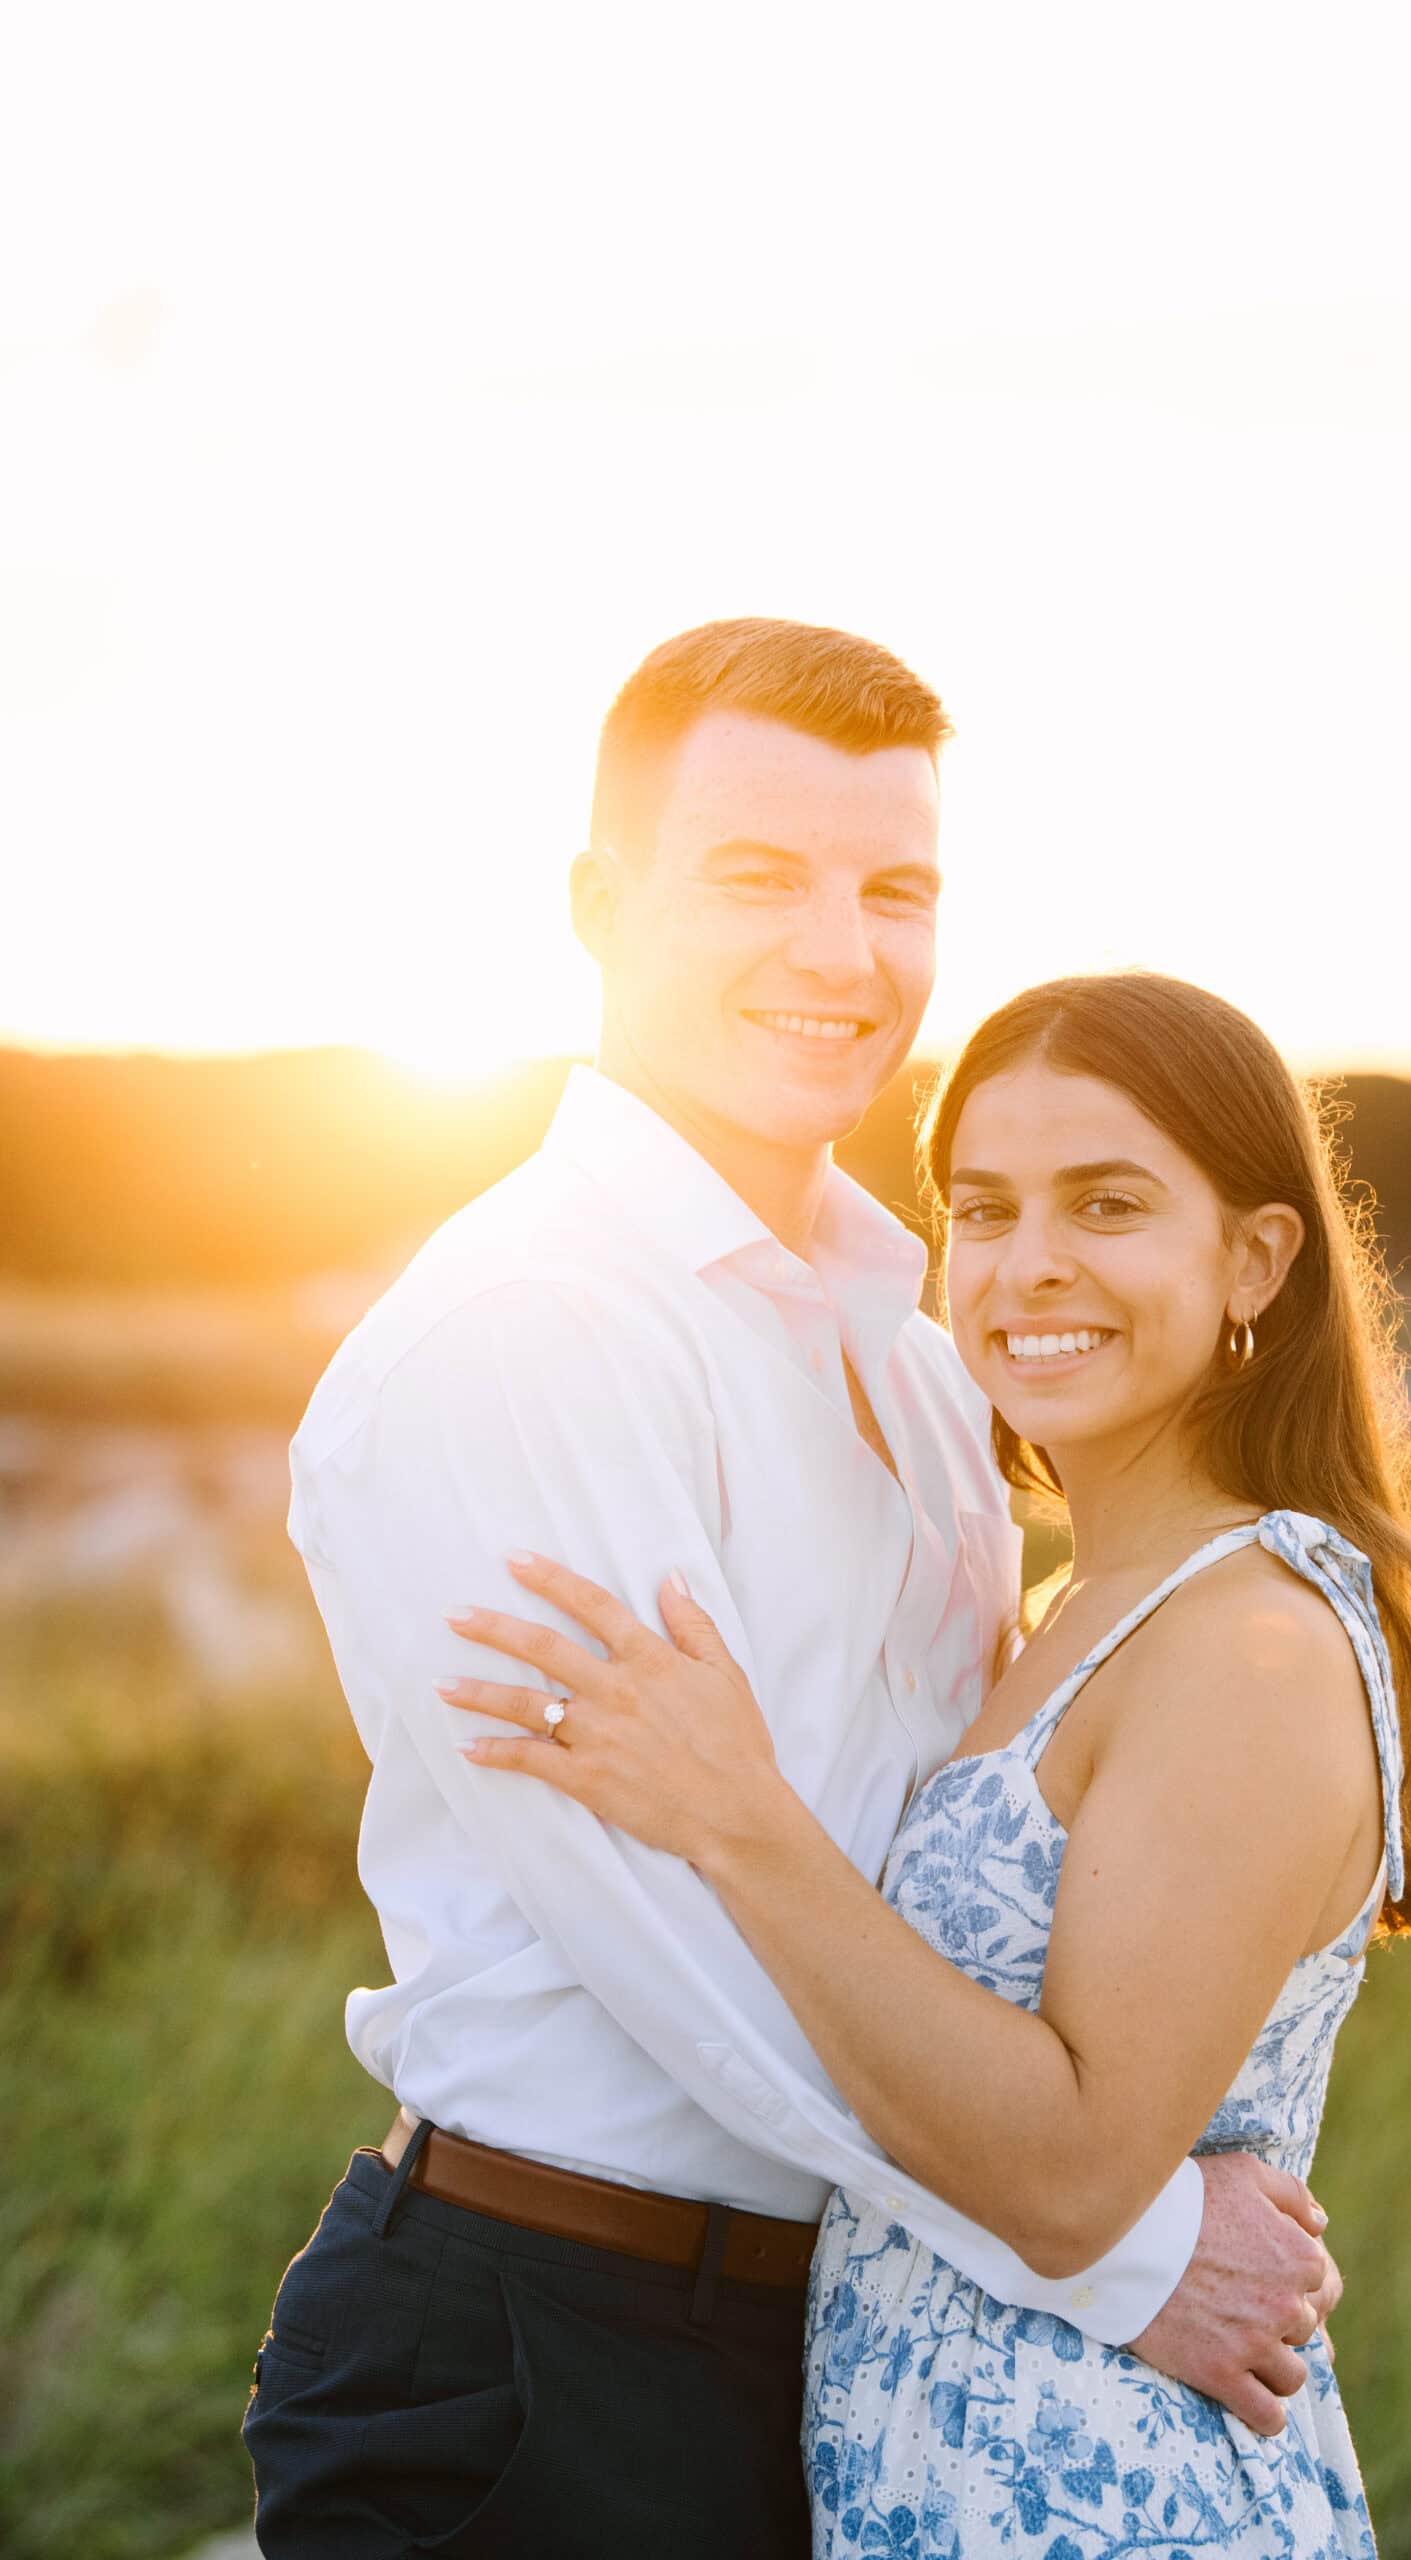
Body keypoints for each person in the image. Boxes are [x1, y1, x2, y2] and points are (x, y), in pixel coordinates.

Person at [244, 624, 1340, 2560]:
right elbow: (676, 1943)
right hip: (542, 2342)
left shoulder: (918, 1352)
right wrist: (1117, 2245)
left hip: (833, 2344)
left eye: (896, 889)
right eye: (761, 876)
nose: (843, 951)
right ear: (600, 906)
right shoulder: (525, 1339)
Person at [444, 968, 1411, 2556]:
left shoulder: (1247, 1644)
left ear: (1253, 1257)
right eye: (983, 1212)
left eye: (1108, 1203)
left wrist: (739, 1821)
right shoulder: (1067, 1605)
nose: (1028, 1267)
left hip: (1107, 2499)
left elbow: (1070, 2179)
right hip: (933, 2479)